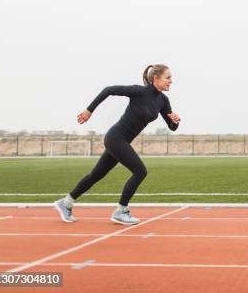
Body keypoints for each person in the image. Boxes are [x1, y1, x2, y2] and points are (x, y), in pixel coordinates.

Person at [54, 64, 180, 225]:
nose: (171, 81)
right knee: (140, 171)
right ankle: (121, 211)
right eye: (168, 78)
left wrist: (176, 120)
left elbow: (172, 127)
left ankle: (65, 203)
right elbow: (108, 90)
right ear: (156, 78)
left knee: (96, 175)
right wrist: (89, 110)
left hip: (122, 141)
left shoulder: (163, 100)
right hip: (115, 137)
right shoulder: (139, 92)